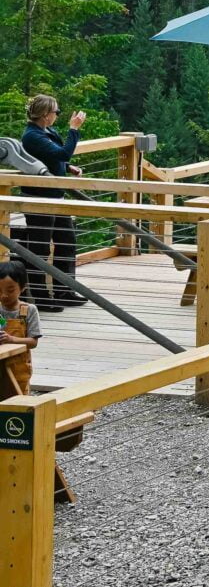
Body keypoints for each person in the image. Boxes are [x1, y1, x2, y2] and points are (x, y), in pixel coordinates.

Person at [20, 95, 86, 312]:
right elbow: (62, 151)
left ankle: (63, 291)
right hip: (38, 198)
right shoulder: (32, 136)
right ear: (45, 114)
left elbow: (55, 158)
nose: (58, 115)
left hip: (56, 195)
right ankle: (41, 297)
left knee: (67, 242)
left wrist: (68, 167)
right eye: (56, 112)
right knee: (39, 248)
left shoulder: (48, 132)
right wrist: (74, 129)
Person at [0, 261, 42, 393]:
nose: (4, 295)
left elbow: (33, 342)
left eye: (10, 290)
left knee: (18, 396)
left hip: (18, 367)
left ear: (23, 287)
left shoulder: (28, 310)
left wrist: (12, 340)